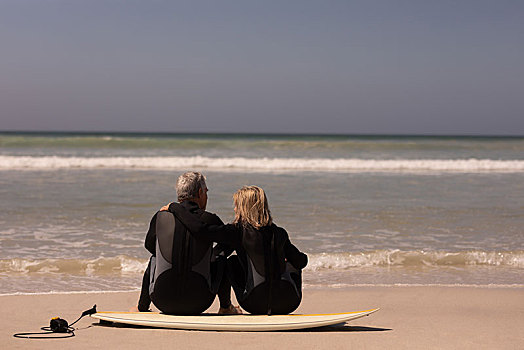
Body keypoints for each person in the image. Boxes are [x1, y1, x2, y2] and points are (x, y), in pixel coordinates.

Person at [167, 185, 308, 315]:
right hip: (288, 303)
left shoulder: (236, 231)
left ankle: (225, 306)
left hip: (254, 304)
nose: (235, 209)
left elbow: (201, 230)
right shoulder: (279, 233)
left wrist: (175, 207)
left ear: (244, 208)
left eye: (236, 206)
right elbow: (301, 262)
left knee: (230, 261)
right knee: (292, 264)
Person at [135, 172, 241, 315]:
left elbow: (150, 246)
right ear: (199, 192)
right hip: (199, 301)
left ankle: (142, 306)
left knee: (154, 258)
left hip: (162, 300)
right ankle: (225, 307)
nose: (207, 196)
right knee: (221, 259)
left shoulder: (160, 217)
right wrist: (212, 255)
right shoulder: (209, 219)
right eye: (206, 192)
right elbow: (231, 241)